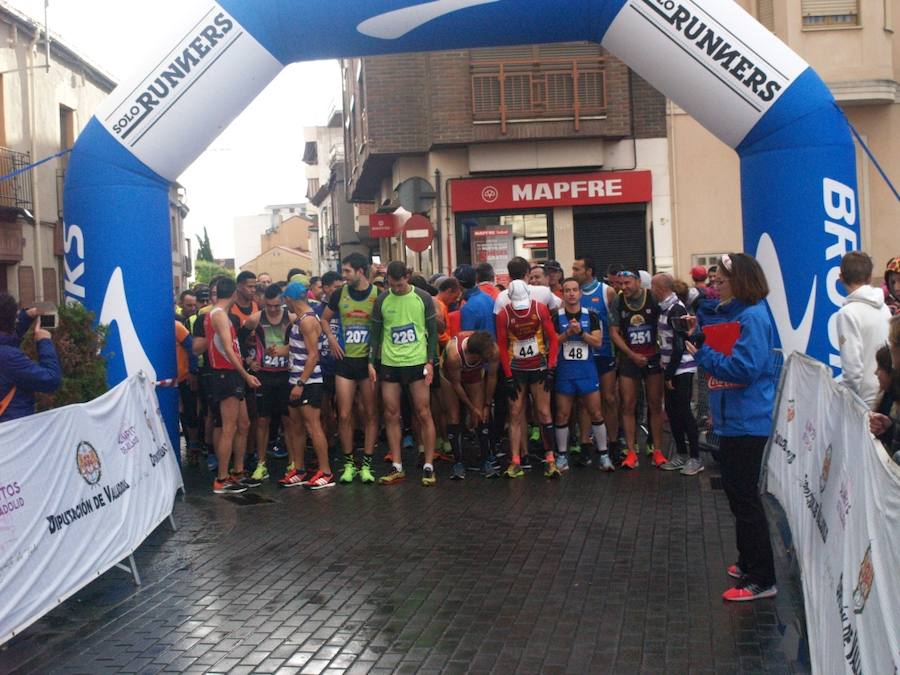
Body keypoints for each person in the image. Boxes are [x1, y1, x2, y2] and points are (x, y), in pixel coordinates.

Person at [686, 252, 778, 601]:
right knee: (739, 497)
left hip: (747, 421)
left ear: (739, 282)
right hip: (737, 418)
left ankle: (761, 577)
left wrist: (703, 354)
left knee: (745, 498)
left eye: (721, 281)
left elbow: (744, 369)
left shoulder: (751, 316)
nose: (715, 286)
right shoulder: (742, 314)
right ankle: (749, 562)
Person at [369, 261, 440, 486]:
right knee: (391, 413)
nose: (397, 289)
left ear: (407, 278)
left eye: (400, 285)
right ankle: (397, 465)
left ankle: (429, 465)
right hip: (390, 363)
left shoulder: (423, 298)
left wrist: (431, 361)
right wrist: (371, 362)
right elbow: (375, 333)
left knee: (423, 412)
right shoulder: (382, 299)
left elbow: (433, 332)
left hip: (416, 361)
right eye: (393, 285)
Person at [322, 253, 380, 484]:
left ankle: (367, 463)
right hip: (345, 361)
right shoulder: (339, 294)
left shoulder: (377, 295)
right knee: (344, 414)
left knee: (370, 413)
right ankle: (348, 463)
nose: (343, 276)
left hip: (367, 362)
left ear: (360, 271)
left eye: (347, 271)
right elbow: (324, 319)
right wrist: (331, 339)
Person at [496, 279, 560, 478]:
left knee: (544, 412)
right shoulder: (504, 314)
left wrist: (551, 368)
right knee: (515, 412)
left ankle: (550, 459)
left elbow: (553, 338)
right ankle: (515, 461)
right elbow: (502, 345)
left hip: (538, 366)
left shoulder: (540, 309)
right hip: (516, 369)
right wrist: (507, 376)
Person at [204, 277, 261, 494]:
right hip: (225, 374)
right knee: (229, 428)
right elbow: (228, 349)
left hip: (232, 373)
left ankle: (237, 471)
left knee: (243, 423)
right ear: (234, 294)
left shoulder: (222, 314)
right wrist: (246, 375)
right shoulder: (218, 314)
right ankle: (222, 478)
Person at [608, 269, 667, 469]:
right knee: (628, 404)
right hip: (629, 357)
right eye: (620, 283)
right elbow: (614, 332)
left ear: (638, 282)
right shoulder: (618, 301)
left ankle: (657, 449)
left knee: (655, 404)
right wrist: (631, 354)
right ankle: (631, 451)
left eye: (627, 283)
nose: (623, 287)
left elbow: (664, 324)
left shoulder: (652, 298)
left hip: (652, 357)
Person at [553, 279, 613, 472]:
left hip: (587, 371)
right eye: (567, 290)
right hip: (565, 372)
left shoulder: (591, 315)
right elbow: (551, 343)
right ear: (563, 294)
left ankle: (604, 455)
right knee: (562, 414)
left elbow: (598, 342)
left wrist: (580, 333)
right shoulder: (556, 317)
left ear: (580, 293)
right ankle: (562, 456)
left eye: (574, 290)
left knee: (596, 412)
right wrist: (567, 334)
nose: (571, 293)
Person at [651, 273, 702, 475]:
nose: (651, 291)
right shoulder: (664, 309)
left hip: (681, 369)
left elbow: (680, 345)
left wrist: (669, 374)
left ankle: (695, 457)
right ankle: (681, 453)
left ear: (661, 288)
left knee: (684, 411)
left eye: (653, 287)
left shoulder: (676, 309)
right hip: (671, 367)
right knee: (672, 413)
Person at [242, 284, 294, 482]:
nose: (272, 309)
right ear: (264, 303)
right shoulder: (255, 319)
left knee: (288, 420)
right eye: (269, 306)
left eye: (276, 306)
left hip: (285, 375)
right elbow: (238, 339)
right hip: (265, 375)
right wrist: (249, 360)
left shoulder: (291, 318)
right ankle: (261, 463)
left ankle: (293, 463)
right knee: (263, 420)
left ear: (282, 302)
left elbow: (302, 342)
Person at [571, 255, 619, 463]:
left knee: (609, 399)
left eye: (577, 269)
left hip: (605, 352)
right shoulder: (574, 293)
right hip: (583, 354)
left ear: (589, 271)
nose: (573, 272)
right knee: (583, 402)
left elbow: (616, 323)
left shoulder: (607, 291)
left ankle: (614, 442)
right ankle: (585, 444)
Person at [439, 330, 500, 478]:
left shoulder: (493, 350)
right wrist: (471, 408)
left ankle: (486, 459)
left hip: (473, 373)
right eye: (487, 355)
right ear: (477, 355)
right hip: (449, 375)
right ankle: (458, 463)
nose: (492, 354)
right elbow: (456, 385)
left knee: (481, 415)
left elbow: (492, 377)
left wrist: (487, 405)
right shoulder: (454, 355)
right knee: (453, 416)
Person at [836, 251, 890, 408]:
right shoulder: (884, 308)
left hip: (864, 400)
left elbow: (852, 369)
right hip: (886, 392)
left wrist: (847, 402)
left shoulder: (847, 313)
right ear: (870, 277)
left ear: (841, 277)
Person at [0, 296, 61, 423]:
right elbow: (50, 379)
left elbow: (6, 340)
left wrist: (27, 316)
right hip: (13, 428)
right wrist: (44, 341)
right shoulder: (9, 358)